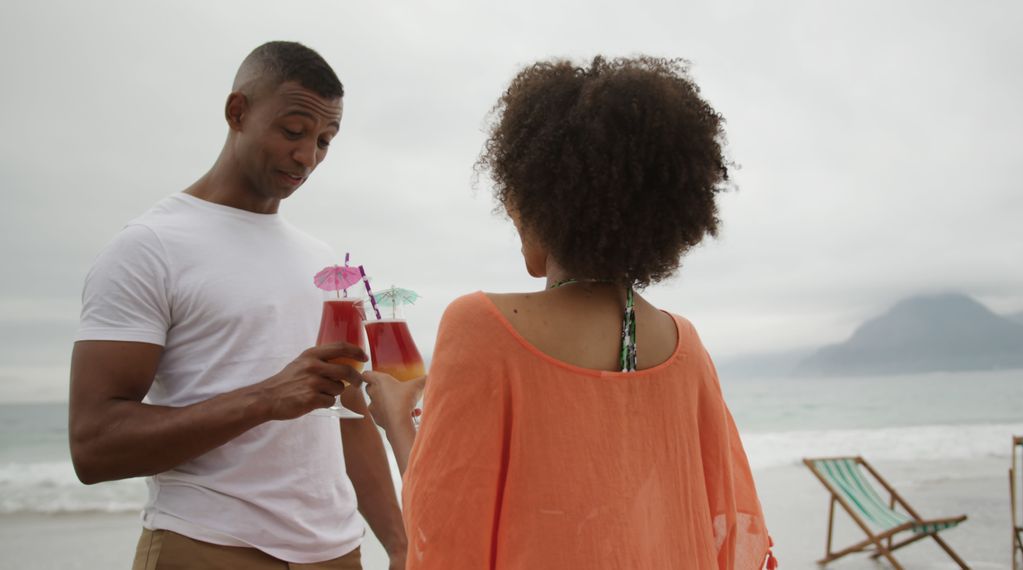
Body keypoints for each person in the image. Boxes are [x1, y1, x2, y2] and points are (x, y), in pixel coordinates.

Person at [362, 56, 776, 569]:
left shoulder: (480, 327)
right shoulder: (683, 346)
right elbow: (721, 531)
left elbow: (442, 533)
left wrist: (398, 419)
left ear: (533, 203)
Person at [69, 41, 406, 569]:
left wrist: (401, 544)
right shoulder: (149, 247)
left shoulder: (324, 263)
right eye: (293, 132)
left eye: (324, 140)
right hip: (209, 545)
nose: (307, 156)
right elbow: (93, 445)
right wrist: (266, 398)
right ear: (237, 112)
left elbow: (349, 416)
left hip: (338, 552)